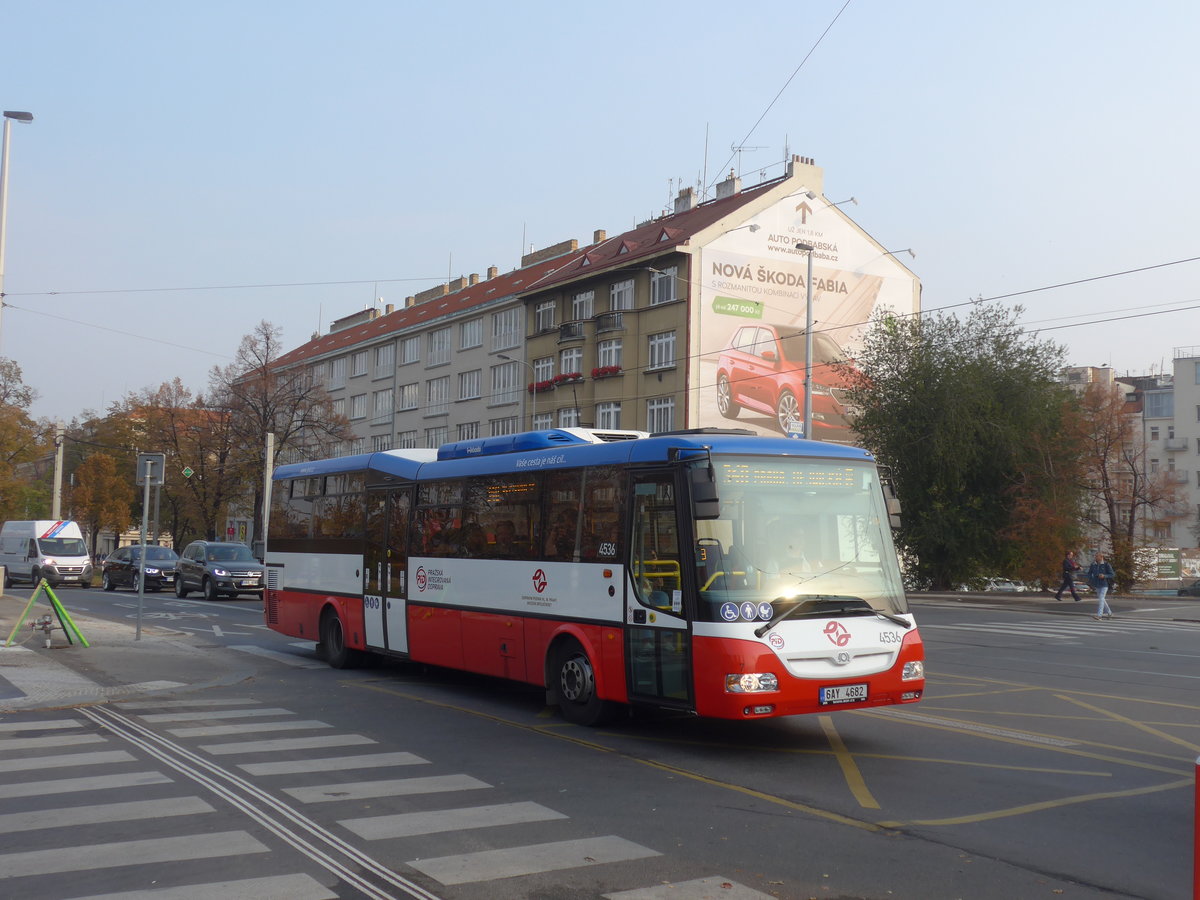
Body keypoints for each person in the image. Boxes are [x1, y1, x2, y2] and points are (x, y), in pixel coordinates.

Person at [1087, 552, 1116, 619]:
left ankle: (1099, 615)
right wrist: (1091, 579)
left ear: (1101, 557)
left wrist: (1104, 576)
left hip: (1104, 584)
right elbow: (1089, 573)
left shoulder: (1106, 564)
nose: (1095, 557)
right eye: (1095, 556)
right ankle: (1109, 612)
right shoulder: (1093, 564)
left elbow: (1112, 574)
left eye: (1097, 556)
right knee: (1102, 599)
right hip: (1097, 584)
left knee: (1101, 598)